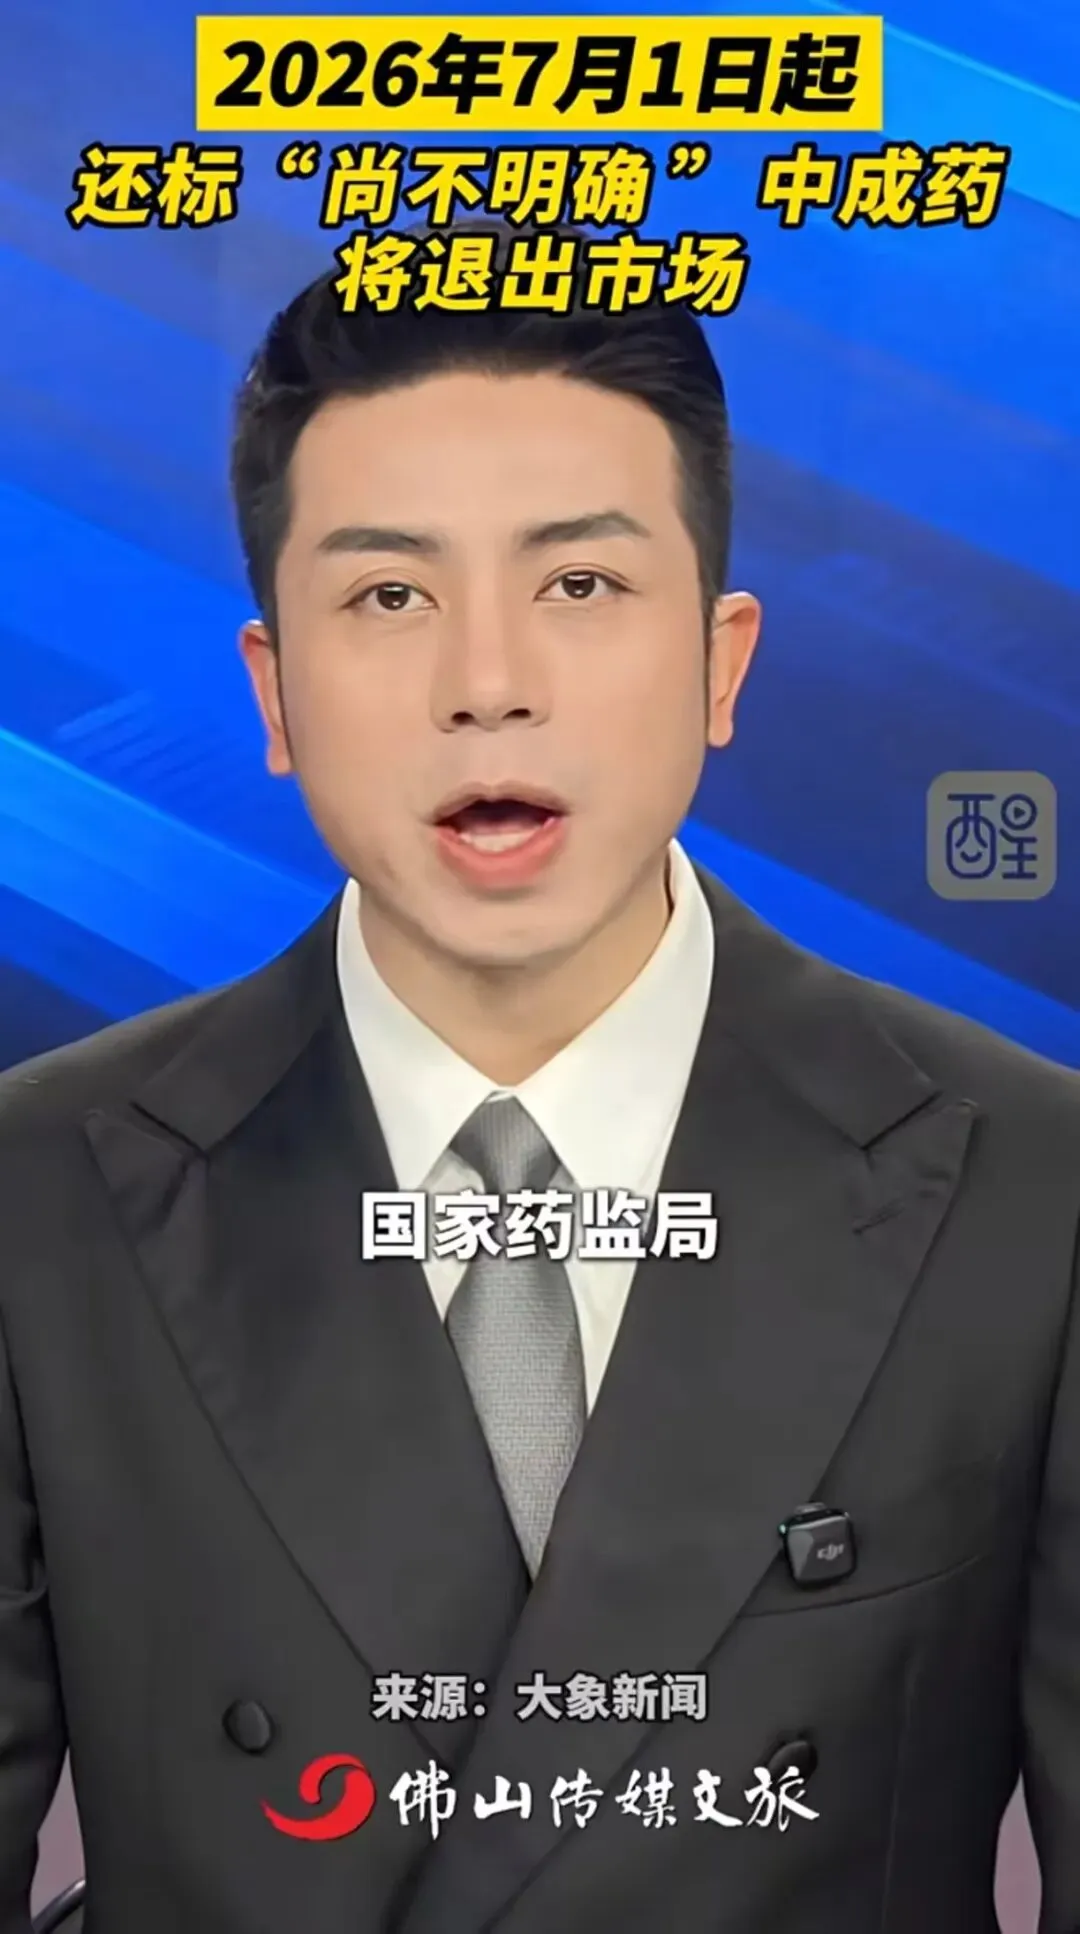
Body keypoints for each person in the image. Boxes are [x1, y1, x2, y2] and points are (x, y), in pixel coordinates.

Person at [1, 225, 1079, 1934]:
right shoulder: (39, 1189)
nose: (488, 687)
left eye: (579, 585)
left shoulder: (1031, 1182)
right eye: (389, 596)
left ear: (721, 661)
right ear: (272, 689)